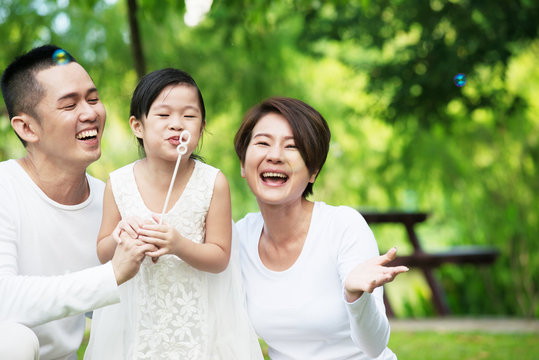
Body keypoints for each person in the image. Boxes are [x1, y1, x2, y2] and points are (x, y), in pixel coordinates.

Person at [84, 68, 263, 359]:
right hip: (136, 320)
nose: (177, 125)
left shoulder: (212, 182)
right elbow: (103, 253)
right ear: (137, 126)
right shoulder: (118, 183)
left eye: (189, 116)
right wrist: (121, 239)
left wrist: (178, 245)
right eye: (163, 115)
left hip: (196, 321)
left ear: (202, 127)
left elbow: (220, 257)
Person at [0, 45, 154, 360]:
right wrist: (112, 274)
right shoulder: (5, 188)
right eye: (69, 105)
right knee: (12, 339)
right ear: (27, 128)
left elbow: (128, 314)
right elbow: (6, 300)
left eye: (94, 99)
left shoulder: (112, 202)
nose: (90, 113)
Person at [234, 96, 409, 360]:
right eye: (262, 143)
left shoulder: (343, 227)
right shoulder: (240, 237)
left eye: (291, 146)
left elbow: (374, 347)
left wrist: (355, 297)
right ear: (243, 164)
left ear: (313, 171)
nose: (274, 155)